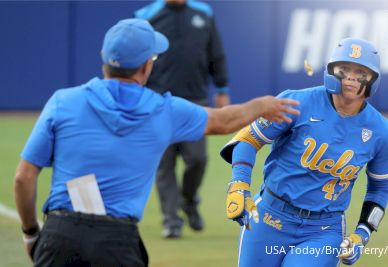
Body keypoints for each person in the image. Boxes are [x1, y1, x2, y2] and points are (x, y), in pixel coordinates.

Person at [13, 18, 300, 266]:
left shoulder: (63, 101)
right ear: (146, 67)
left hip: (59, 236)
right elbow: (223, 121)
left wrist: (30, 232)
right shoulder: (163, 110)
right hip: (117, 244)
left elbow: (24, 177)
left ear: (103, 56)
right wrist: (261, 105)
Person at [220, 38, 388, 266]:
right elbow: (248, 138)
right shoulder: (297, 102)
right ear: (331, 71)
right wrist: (239, 184)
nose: (351, 77)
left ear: (374, 79)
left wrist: (363, 234)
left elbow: (380, 188)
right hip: (269, 217)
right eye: (344, 69)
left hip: (323, 230)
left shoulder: (381, 131)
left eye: (361, 72)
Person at [134, 0, 230, 238]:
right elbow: (137, 57)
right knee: (164, 165)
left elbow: (215, 52)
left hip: (194, 101)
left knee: (197, 159)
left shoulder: (203, 13)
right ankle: (171, 221)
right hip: (157, 102)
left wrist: (222, 88)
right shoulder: (146, 15)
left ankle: (188, 200)